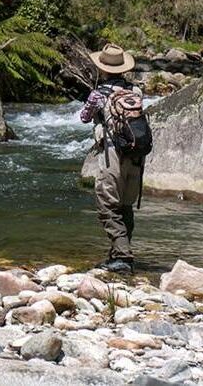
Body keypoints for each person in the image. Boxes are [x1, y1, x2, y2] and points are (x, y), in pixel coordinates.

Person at [79, 43, 146, 274]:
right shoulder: (136, 92)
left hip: (112, 155)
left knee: (107, 205)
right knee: (125, 206)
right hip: (135, 156)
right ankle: (119, 252)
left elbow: (84, 117)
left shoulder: (98, 94)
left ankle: (122, 257)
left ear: (103, 69)